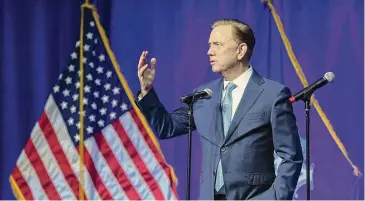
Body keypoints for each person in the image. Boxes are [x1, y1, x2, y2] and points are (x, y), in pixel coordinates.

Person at [135, 19, 303, 200]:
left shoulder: (273, 94)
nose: (209, 51)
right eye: (209, 45)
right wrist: (147, 91)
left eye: (217, 44)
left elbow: (291, 157)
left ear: (241, 50)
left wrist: (274, 198)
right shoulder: (203, 95)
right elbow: (166, 127)